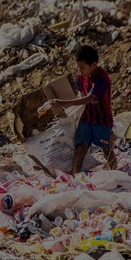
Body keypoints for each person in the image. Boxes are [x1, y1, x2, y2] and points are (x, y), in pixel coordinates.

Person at [45, 45, 116, 174]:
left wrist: (61, 103)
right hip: (86, 118)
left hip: (101, 119)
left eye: (83, 68)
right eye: (78, 67)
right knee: (80, 148)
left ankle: (117, 174)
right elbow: (79, 95)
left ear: (94, 65)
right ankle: (76, 177)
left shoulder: (102, 79)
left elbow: (87, 99)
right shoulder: (81, 76)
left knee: (107, 150)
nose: (80, 71)